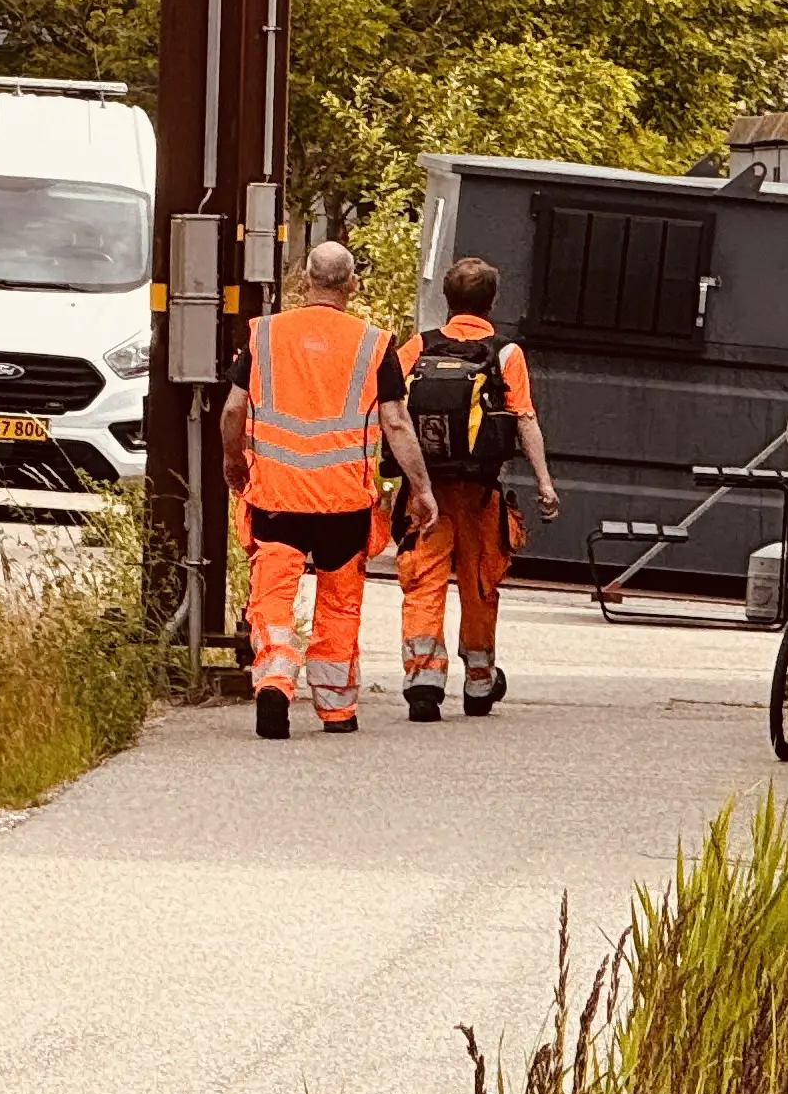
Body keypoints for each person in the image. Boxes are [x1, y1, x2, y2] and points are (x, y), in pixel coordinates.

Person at [221, 241, 439, 739]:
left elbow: (233, 410)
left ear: (303, 281)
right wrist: (421, 489)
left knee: (272, 596)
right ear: (353, 285)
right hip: (343, 502)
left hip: (276, 496)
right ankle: (336, 709)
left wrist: (235, 463)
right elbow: (397, 424)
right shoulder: (374, 343)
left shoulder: (264, 335)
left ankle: (275, 680)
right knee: (339, 604)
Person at [394, 256, 561, 721]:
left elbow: (390, 414)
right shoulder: (505, 354)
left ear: (447, 301)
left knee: (423, 580)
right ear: (492, 302)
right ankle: (479, 682)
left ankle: (424, 682)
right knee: (480, 582)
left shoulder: (416, 347)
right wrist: (544, 483)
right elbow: (524, 419)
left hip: (424, 489)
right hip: (480, 491)